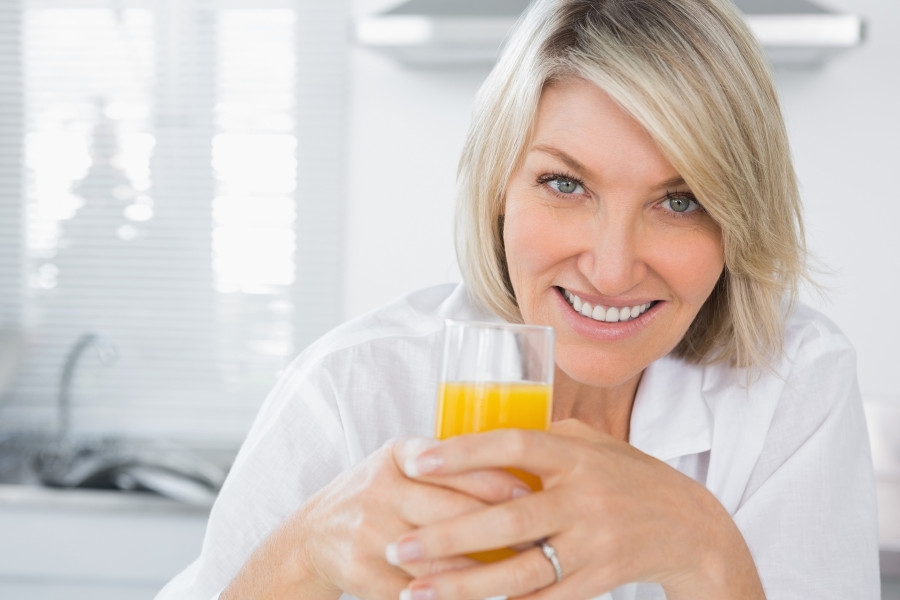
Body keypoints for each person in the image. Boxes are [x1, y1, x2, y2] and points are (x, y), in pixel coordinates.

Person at [156, 0, 880, 598]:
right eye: (566, 185)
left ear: (738, 218)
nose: (611, 266)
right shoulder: (355, 388)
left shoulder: (793, 383)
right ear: (498, 188)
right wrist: (305, 552)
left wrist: (702, 544)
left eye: (680, 201)